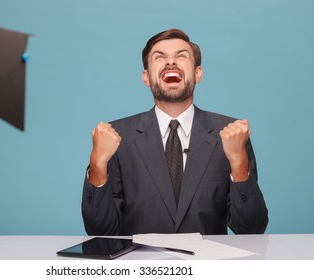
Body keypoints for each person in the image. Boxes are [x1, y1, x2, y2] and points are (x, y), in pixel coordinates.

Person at [82, 28, 268, 236]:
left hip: (208, 265)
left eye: (181, 56)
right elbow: (99, 230)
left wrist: (238, 162)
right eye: (159, 57)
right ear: (146, 77)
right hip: (140, 266)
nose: (170, 62)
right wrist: (98, 164)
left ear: (198, 73)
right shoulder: (117, 137)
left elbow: (252, 229)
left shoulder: (231, 135)